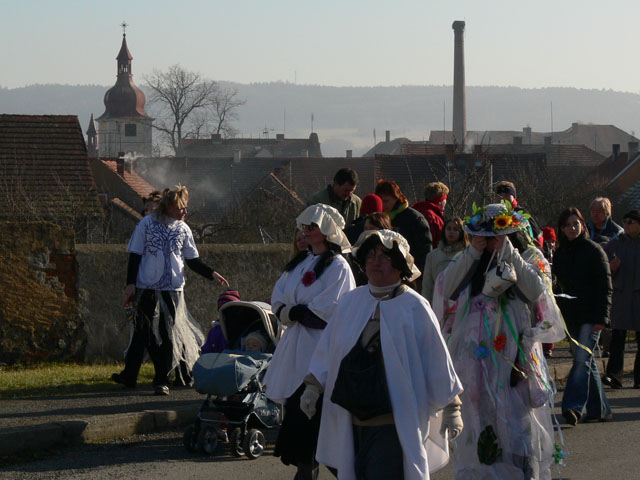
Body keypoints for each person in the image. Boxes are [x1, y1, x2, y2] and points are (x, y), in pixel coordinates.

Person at [301, 229, 463, 480]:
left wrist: (452, 408)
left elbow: (436, 358)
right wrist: (313, 386)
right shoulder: (351, 302)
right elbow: (329, 349)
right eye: (371, 256)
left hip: (393, 424)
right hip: (351, 421)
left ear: (400, 264)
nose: (376, 262)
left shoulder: (415, 307)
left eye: (385, 256)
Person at [435, 201, 564, 479]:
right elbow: (446, 288)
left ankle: (519, 470)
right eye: (487, 235)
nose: (492, 241)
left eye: (498, 235)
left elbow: (536, 291)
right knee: (478, 414)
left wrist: (509, 252)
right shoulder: (468, 260)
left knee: (516, 416)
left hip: (514, 357)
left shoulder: (524, 258)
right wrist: (473, 251)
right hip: (475, 356)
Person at [265, 203, 356, 480]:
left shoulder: (338, 267)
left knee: (318, 432)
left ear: (327, 230)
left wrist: (296, 312)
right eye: (304, 226)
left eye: (312, 226)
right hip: (295, 352)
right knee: (302, 432)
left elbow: (330, 312)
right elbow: (279, 297)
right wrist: (288, 311)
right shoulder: (300, 263)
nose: (305, 231)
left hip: (320, 355)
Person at [122, 185, 229, 395]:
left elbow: (192, 260)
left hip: (172, 290)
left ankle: (162, 379)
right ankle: (137, 375)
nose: (185, 212)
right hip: (147, 288)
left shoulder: (183, 229)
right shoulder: (146, 224)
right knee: (146, 333)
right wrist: (130, 284)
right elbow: (135, 255)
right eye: (181, 208)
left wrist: (211, 273)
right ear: (169, 207)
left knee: (167, 334)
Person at [552, 207, 612, 425]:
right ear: (561, 228)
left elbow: (605, 287)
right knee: (586, 360)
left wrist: (603, 318)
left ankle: (572, 406)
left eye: (576, 224)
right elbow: (556, 286)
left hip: (591, 315)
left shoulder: (594, 250)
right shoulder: (560, 254)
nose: (572, 228)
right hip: (570, 316)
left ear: (582, 225)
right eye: (568, 225)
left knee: (581, 359)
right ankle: (600, 409)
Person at [601, 209, 640, 389]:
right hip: (621, 294)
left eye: (631, 222)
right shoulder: (615, 244)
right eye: (625, 221)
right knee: (617, 338)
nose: (626, 224)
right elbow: (602, 268)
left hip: (638, 295)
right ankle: (614, 376)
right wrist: (611, 267)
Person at [374, 179, 433, 284]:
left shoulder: (414, 219)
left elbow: (424, 251)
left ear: (397, 198)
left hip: (409, 277)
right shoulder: (378, 218)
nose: (383, 205)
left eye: (386, 201)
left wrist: (415, 277)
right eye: (380, 201)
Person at [421, 217, 468, 304]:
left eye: (455, 229)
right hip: (437, 303)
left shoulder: (466, 255)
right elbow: (427, 286)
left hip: (459, 304)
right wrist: (425, 305)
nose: (451, 232)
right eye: (449, 229)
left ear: (461, 232)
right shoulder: (432, 256)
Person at [495, 180, 542, 247]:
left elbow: (537, 236)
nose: (503, 198)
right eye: (500, 195)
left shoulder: (521, 213)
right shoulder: (492, 213)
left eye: (507, 195)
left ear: (513, 197)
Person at [200, 290, 240, 354]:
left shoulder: (242, 329)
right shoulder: (215, 330)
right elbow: (207, 350)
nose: (227, 314)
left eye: (230, 310)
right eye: (223, 311)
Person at [412, 181, 449, 249]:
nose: (446, 202)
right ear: (440, 201)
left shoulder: (417, 210)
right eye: (445, 199)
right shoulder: (432, 217)